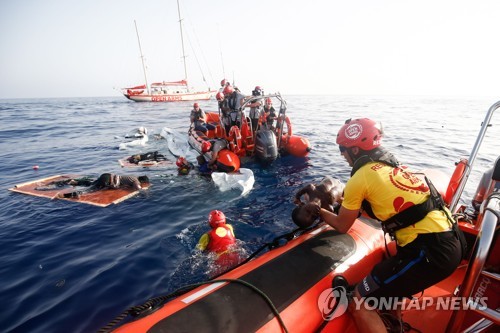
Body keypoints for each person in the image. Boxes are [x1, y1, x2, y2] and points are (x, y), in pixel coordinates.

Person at [316, 118, 463, 333]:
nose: (342, 156)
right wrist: (341, 200)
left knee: (359, 302)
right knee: (393, 283)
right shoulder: (391, 167)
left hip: (430, 252)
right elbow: (380, 208)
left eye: (343, 150)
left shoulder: (361, 176)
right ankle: (394, 325)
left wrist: (317, 210)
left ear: (355, 149)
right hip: (451, 241)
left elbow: (342, 225)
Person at [55, 173, 149, 199]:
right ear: (141, 181)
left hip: (107, 175)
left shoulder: (132, 177)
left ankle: (74, 182)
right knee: (88, 191)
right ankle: (64, 196)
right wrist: (147, 195)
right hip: (108, 181)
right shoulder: (136, 181)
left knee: (92, 183)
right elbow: (139, 189)